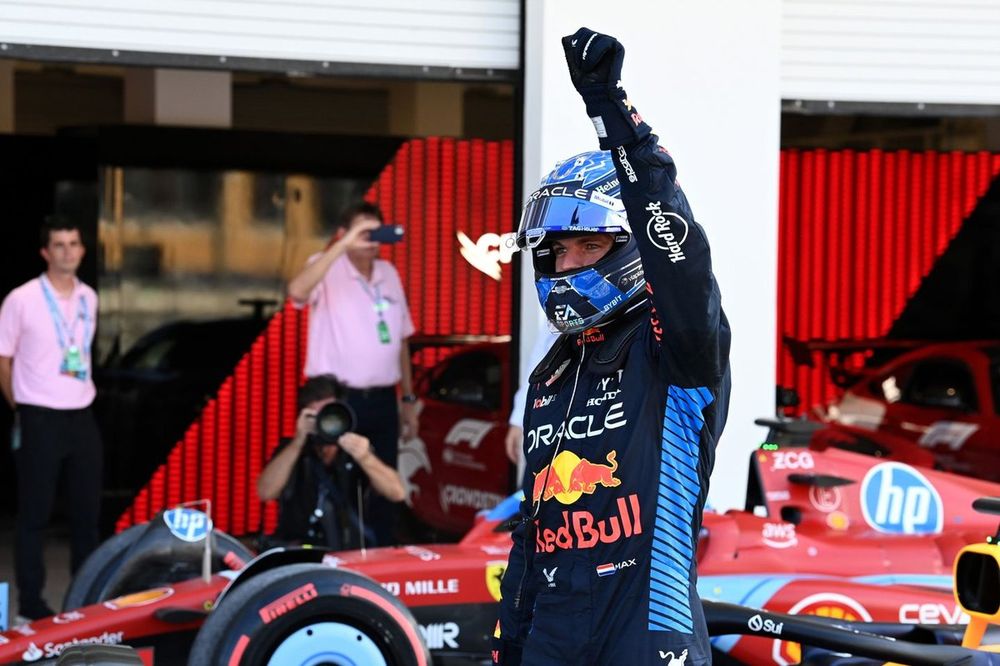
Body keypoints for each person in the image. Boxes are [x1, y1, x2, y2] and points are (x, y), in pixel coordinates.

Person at [494, 28, 732, 665]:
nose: (566, 263)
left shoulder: (675, 347)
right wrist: (508, 648)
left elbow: (677, 252)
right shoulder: (550, 373)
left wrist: (612, 111)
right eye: (556, 249)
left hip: (648, 641)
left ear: (630, 247)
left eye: (588, 245)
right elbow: (532, 533)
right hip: (550, 640)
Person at [287, 201, 418, 546]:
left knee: (382, 482)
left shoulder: (389, 273)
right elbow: (296, 293)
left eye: (376, 231)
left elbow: (402, 338)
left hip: (381, 398)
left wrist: (407, 398)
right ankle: (332, 554)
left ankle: (381, 557)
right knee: (334, 483)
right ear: (346, 234)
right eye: (363, 232)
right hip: (337, 398)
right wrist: (342, 246)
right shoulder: (326, 265)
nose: (371, 239)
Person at [0, 216, 103, 622]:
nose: (66, 252)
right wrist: (21, 406)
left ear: (82, 250)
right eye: (58, 245)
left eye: (73, 243)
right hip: (39, 415)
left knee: (86, 516)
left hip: (81, 414)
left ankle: (88, 597)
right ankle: (32, 602)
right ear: (45, 252)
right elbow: (3, 360)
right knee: (34, 517)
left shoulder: (89, 298)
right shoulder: (21, 298)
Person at [257, 374, 405, 548]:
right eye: (317, 416)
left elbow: (398, 492)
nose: (325, 423)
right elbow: (265, 492)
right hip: (298, 548)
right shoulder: (292, 450)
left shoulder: (355, 451)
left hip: (348, 549)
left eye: (330, 415)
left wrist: (365, 458)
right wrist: (297, 443)